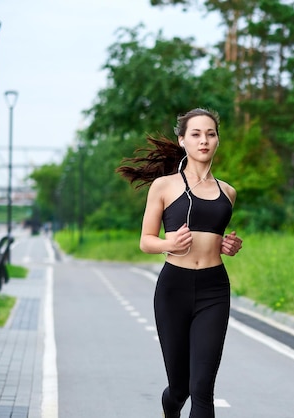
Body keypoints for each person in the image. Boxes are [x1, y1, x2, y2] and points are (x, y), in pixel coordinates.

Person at [116, 108, 243, 418]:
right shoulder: (164, 186)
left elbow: (214, 234)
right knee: (180, 388)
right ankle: (169, 409)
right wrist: (168, 244)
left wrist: (228, 246)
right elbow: (146, 240)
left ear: (217, 141)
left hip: (214, 290)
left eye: (210, 134)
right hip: (174, 289)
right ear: (182, 140)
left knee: (202, 389)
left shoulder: (228, 192)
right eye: (196, 134)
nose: (204, 141)